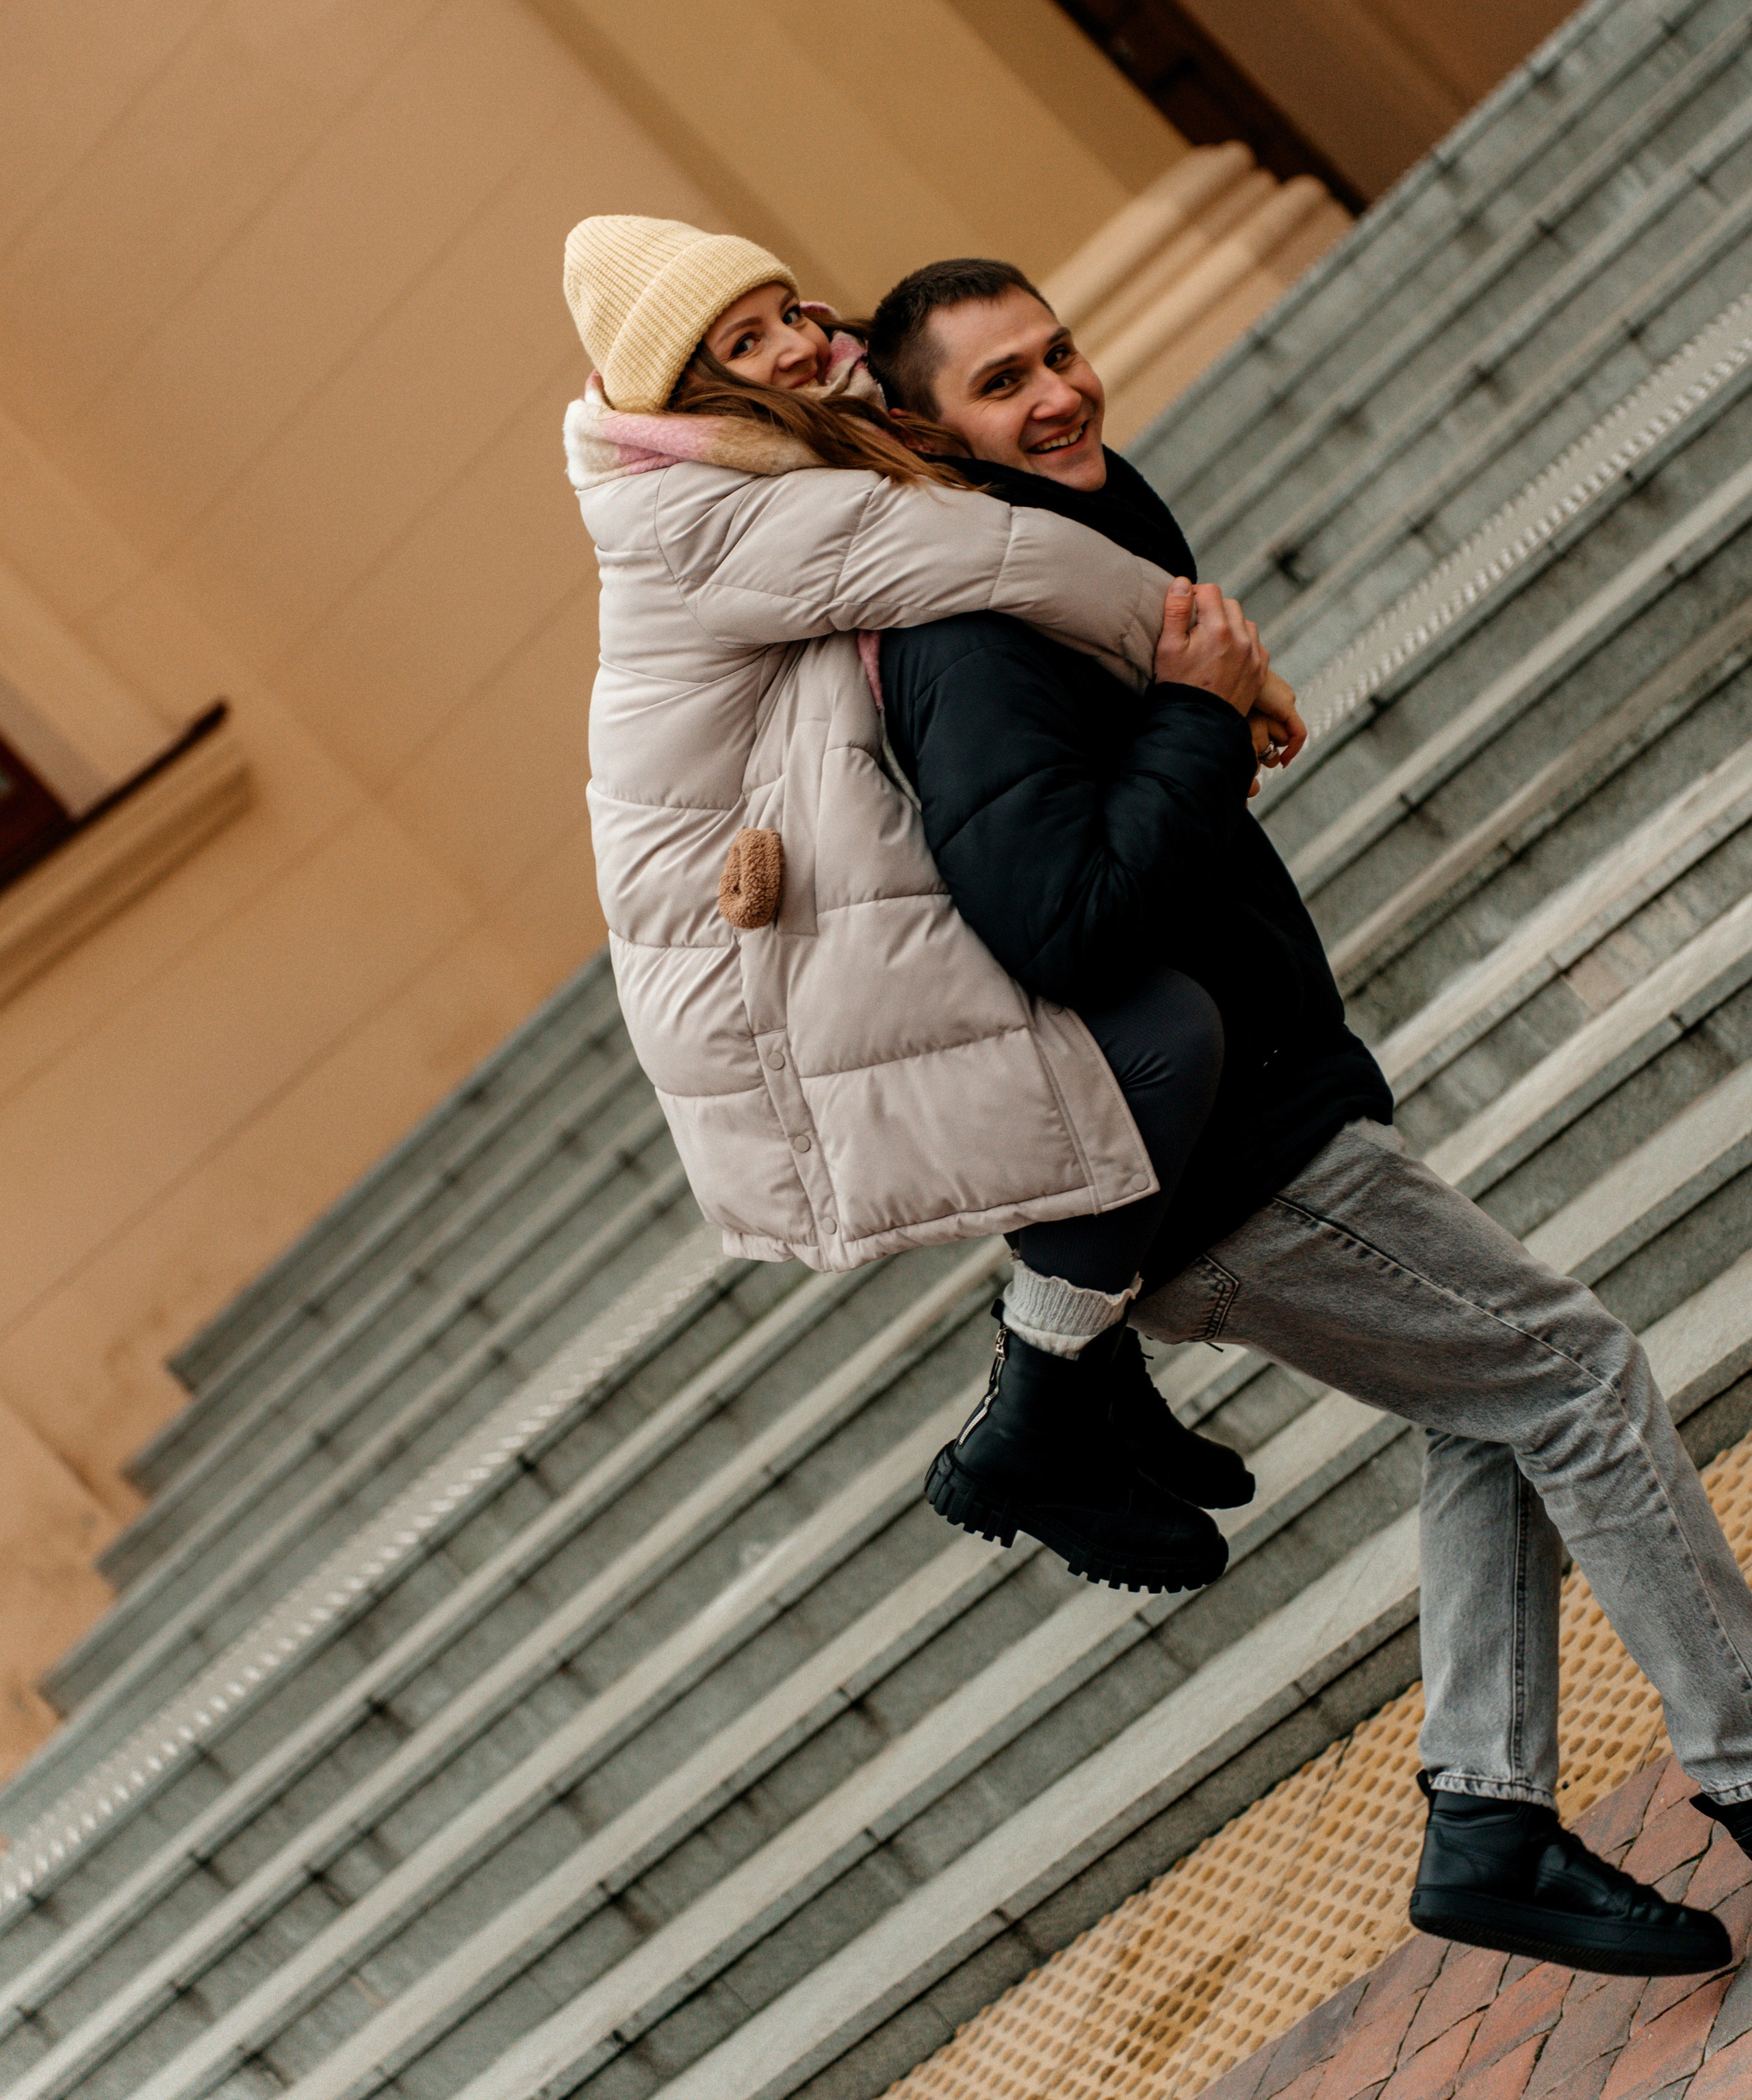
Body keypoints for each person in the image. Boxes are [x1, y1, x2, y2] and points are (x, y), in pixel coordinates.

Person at [866, 255, 1752, 1980]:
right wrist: (1197, 717)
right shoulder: (963, 642)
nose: (1057, 393)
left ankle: (1487, 1813)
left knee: (1493, 1407)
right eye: (997, 384)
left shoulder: (1065, 544)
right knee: (1571, 1375)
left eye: (1057, 352)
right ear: (918, 430)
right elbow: (1057, 920)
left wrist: (1191, 698)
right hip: (1225, 1164)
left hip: (1262, 1121)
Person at [562, 213, 1293, 1608]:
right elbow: (1005, 558)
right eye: (744, 341)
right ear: (685, 391)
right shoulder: (713, 504)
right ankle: (1033, 1420)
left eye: (786, 311)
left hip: (795, 876)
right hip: (751, 936)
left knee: (1120, 1044)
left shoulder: (757, 455)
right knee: (1154, 1043)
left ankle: (1084, 1388)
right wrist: (1227, 671)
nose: (795, 344)